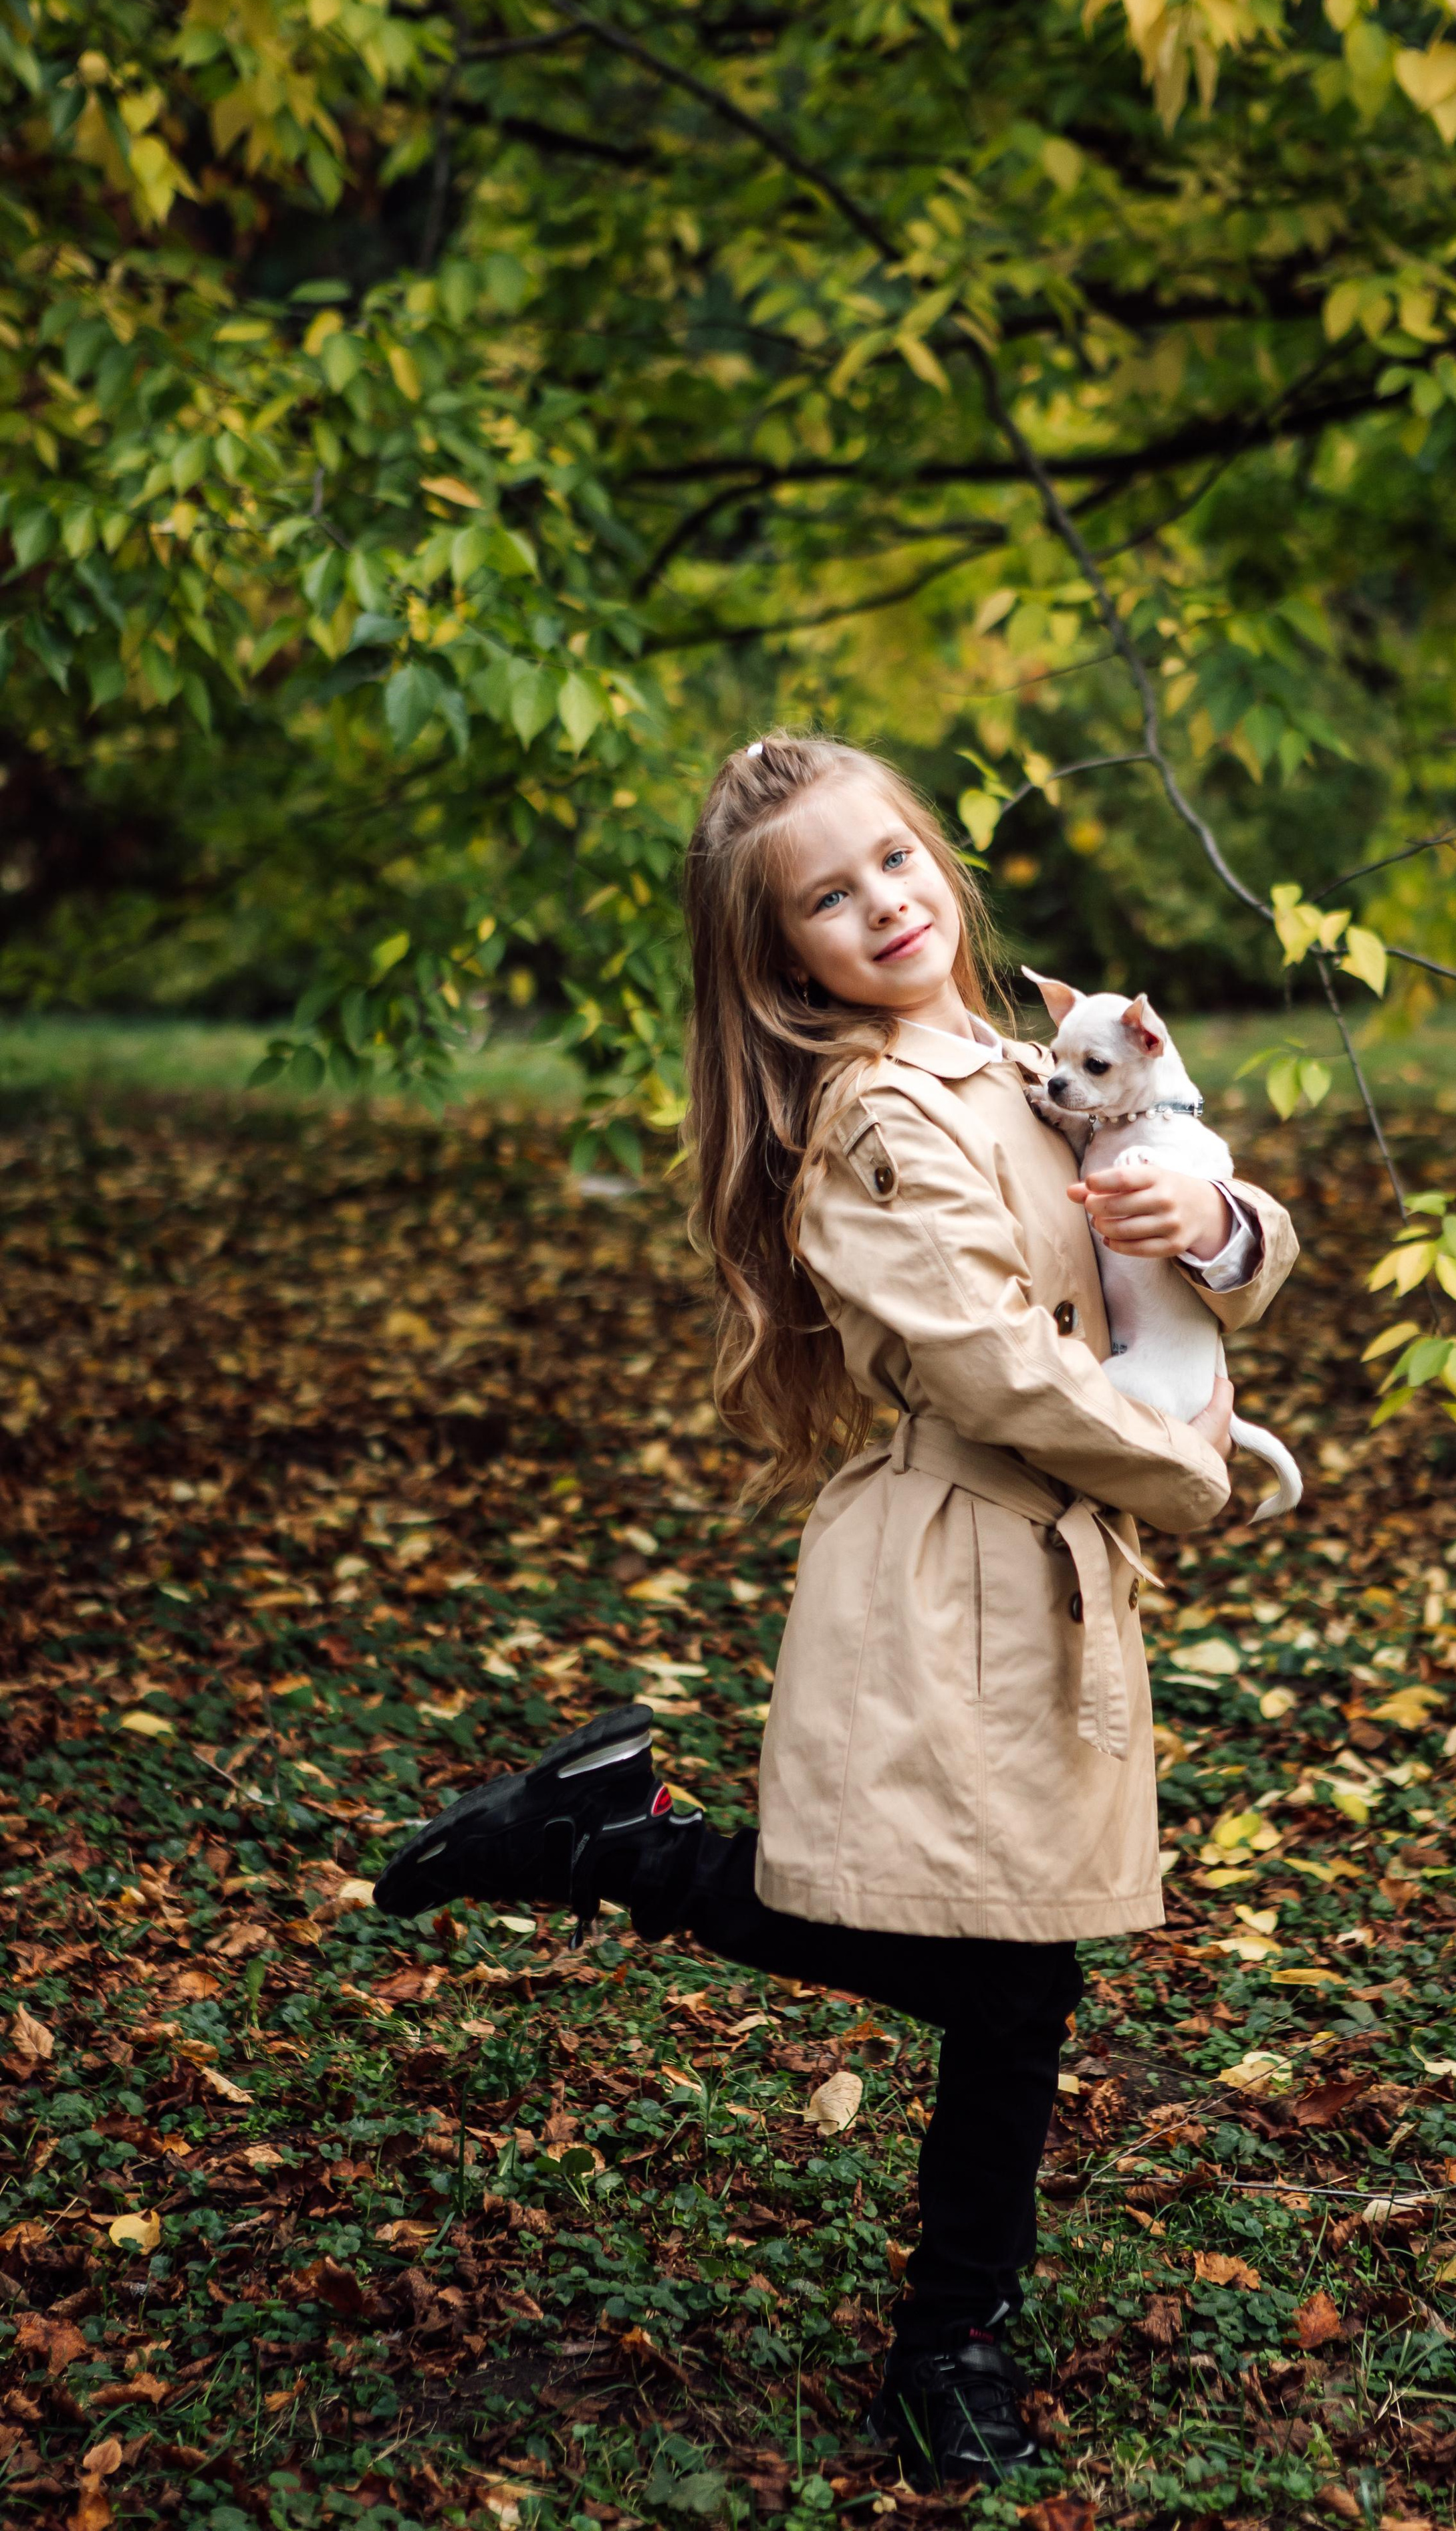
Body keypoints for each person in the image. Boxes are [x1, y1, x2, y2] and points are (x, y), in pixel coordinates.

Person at [373, 733, 1298, 2486]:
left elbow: (1162, 1242)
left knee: (1015, 1977)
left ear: (934, 859)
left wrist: (1227, 1220)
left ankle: (947, 2325)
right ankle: (614, 1858)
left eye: (893, 860)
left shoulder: (1032, 1058)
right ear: (781, 950)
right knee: (971, 1957)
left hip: (1051, 1564)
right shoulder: (877, 1114)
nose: (881, 902)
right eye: (827, 893)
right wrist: (1184, 1467)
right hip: (952, 1571)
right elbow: (981, 1358)